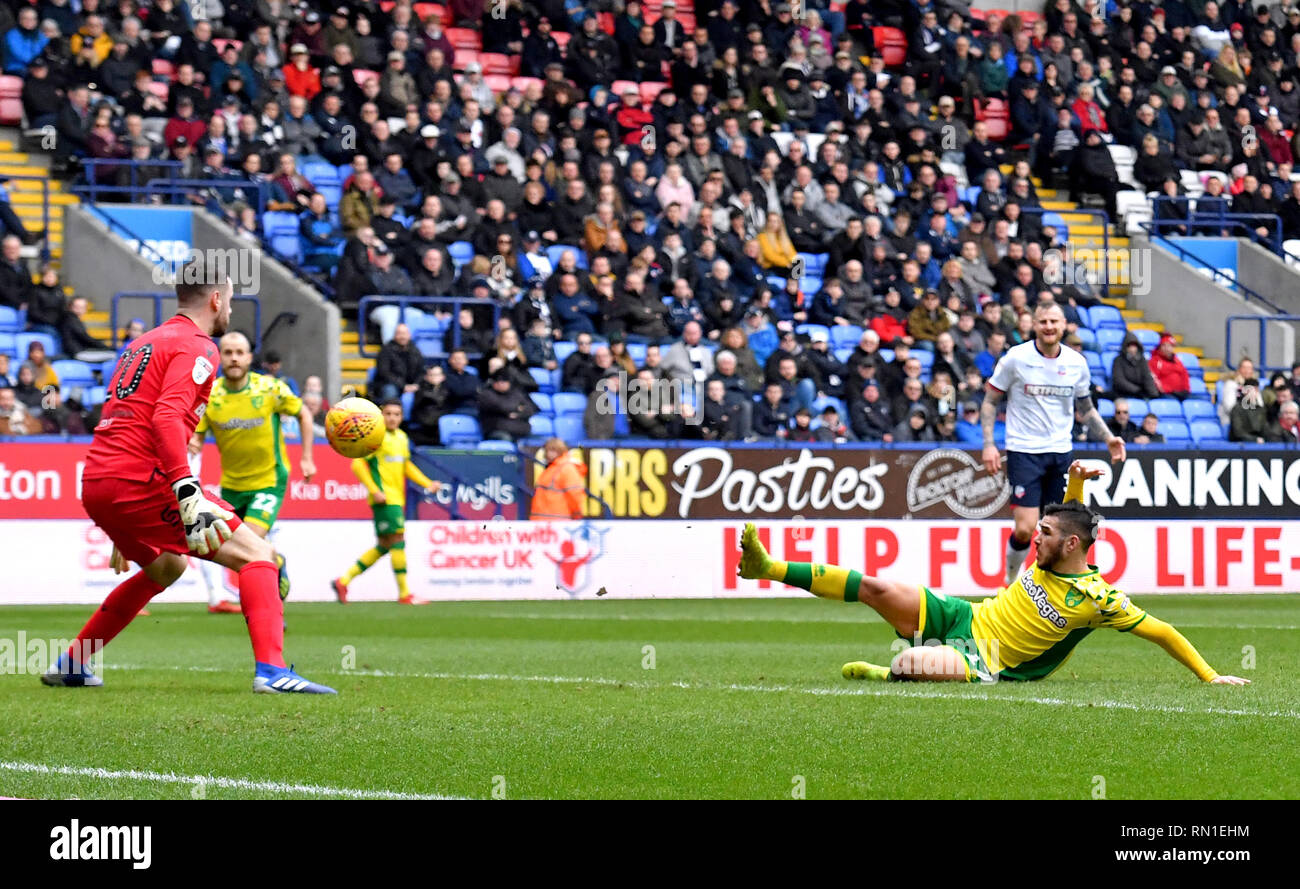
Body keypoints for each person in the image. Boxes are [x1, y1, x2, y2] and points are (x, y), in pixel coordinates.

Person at [42, 259, 334, 694]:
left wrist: (120, 526)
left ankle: (73, 663)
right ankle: (273, 672)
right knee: (260, 556)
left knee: (167, 566)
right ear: (216, 299)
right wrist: (187, 490)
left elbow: (122, 419)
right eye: (230, 300)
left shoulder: (143, 344)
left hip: (100, 479)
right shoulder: (199, 346)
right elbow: (164, 419)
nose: (230, 310)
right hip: (143, 479)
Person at [733, 463, 1251, 686]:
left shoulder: (1098, 597)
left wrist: (1210, 675)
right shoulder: (1056, 549)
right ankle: (768, 566)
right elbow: (1075, 516)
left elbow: (1160, 631)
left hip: (990, 658)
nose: (1033, 536)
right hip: (967, 616)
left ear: (1068, 545)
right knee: (877, 586)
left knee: (913, 660)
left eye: (1044, 532)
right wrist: (1074, 481)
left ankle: (885, 674)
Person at [982, 301, 1125, 588]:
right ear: (1034, 325)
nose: (1048, 327)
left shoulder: (1076, 363)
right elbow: (989, 400)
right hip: (1024, 450)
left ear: (1063, 326)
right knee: (1025, 529)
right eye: (1043, 321)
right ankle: (1010, 582)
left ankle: (1045, 590)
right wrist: (989, 444)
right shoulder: (1016, 358)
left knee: (1060, 530)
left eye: (1053, 322)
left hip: (1061, 453)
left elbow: (1085, 408)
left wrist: (1109, 437)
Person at [189, 331, 316, 604]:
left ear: (249, 357)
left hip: (268, 480)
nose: (234, 358)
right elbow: (198, 432)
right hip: (232, 485)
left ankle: (267, 608)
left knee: (251, 543)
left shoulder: (270, 388)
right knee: (236, 550)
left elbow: (304, 413)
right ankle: (275, 561)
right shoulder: (210, 394)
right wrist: (195, 442)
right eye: (228, 352)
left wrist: (307, 457)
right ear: (220, 358)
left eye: (239, 353)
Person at [332, 399, 440, 605]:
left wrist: (427, 483)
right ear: (381, 415)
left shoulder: (402, 437)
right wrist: (374, 491)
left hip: (397, 499)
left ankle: (343, 580)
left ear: (401, 417)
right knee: (398, 540)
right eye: (388, 414)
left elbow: (405, 466)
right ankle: (405, 593)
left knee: (384, 546)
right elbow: (358, 464)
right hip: (385, 499)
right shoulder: (375, 437)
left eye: (396, 414)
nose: (392, 418)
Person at [530, 437, 588, 520]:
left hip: (557, 522)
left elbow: (575, 495)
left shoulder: (567, 469)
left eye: (552, 450)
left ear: (560, 451)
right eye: (547, 450)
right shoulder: (552, 468)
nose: (547, 454)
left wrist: (576, 515)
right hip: (544, 521)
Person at [372, 323, 424, 401]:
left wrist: (416, 384)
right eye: (399, 333)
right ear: (395, 335)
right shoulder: (385, 350)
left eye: (404, 333)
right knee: (390, 391)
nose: (402, 336)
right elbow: (384, 373)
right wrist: (403, 386)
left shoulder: (415, 351)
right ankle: (390, 412)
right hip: (390, 384)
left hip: (411, 385)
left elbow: (421, 371)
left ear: (409, 335)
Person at [1148, 332, 1191, 399]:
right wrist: (1168, 390)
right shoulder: (1155, 361)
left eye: (1169, 346)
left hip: (1180, 394)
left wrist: (1186, 390)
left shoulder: (1178, 361)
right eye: (1164, 345)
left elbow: (1185, 377)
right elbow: (1154, 380)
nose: (1166, 348)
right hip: (1166, 394)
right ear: (1160, 347)